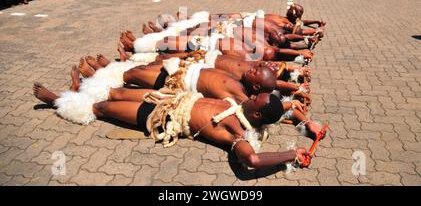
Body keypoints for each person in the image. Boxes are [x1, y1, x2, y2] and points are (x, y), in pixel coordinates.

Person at [32, 82, 314, 170]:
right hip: (171, 99)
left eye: (256, 99)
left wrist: (291, 155)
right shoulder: (244, 107)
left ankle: (58, 101)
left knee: (103, 109)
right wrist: (293, 108)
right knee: (116, 91)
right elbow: (274, 113)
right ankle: (78, 91)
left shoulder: (239, 132)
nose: (251, 97)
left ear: (255, 117)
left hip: (161, 118)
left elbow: (251, 159)